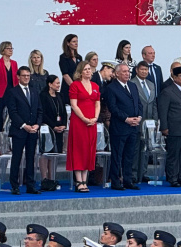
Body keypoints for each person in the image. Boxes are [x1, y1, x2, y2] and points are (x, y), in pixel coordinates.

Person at [104, 63, 142, 190]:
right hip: (120, 127)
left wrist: (139, 117)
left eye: (128, 71)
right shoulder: (112, 88)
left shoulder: (132, 86)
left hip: (133, 127)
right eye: (124, 71)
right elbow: (113, 108)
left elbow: (138, 103)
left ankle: (128, 180)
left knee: (129, 155)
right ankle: (115, 181)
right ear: (117, 73)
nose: (127, 74)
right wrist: (126, 119)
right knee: (117, 155)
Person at [158, 65, 181, 188]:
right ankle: (172, 178)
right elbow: (163, 111)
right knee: (173, 155)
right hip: (174, 128)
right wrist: (164, 127)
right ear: (174, 77)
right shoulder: (168, 91)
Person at [6, 66, 42, 195]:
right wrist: (23, 125)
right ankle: (14, 185)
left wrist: (37, 125)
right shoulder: (13, 92)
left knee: (31, 158)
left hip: (33, 130)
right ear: (18, 77)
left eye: (28, 75)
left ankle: (31, 185)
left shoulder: (34, 91)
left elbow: (39, 110)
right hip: (19, 130)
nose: (26, 77)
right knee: (17, 157)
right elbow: (13, 112)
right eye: (24, 75)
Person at [67, 62, 100, 192]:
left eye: (89, 69)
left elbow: (98, 104)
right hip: (79, 122)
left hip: (92, 122)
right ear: (80, 72)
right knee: (78, 149)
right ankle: (78, 181)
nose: (88, 71)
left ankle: (85, 180)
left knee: (88, 149)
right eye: (85, 69)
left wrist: (95, 118)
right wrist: (84, 118)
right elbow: (74, 105)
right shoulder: (75, 85)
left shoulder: (95, 85)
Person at [130, 61, 158, 184]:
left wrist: (156, 121)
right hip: (137, 121)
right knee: (135, 149)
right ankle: (134, 173)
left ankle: (143, 173)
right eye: (142, 70)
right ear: (137, 70)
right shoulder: (131, 83)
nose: (144, 72)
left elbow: (154, 104)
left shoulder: (151, 84)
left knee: (146, 148)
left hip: (149, 122)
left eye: (146, 70)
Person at [38, 74, 66, 189]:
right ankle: (44, 178)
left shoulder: (60, 96)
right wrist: (53, 126)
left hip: (59, 129)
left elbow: (63, 112)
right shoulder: (43, 96)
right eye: (57, 83)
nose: (59, 85)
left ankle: (52, 177)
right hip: (47, 128)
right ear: (50, 84)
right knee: (46, 153)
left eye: (59, 83)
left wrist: (63, 125)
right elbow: (43, 113)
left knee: (55, 154)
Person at [0, 41, 18, 131]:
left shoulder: (14, 63)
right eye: (8, 48)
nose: (11, 50)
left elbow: (16, 79)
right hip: (1, 93)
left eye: (12, 48)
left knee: (12, 115)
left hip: (12, 92)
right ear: (3, 50)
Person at [59, 34, 82, 105]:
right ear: (68, 43)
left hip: (78, 87)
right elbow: (65, 75)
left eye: (77, 41)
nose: (76, 43)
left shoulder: (79, 57)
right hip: (68, 87)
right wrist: (74, 87)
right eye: (74, 41)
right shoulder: (63, 57)